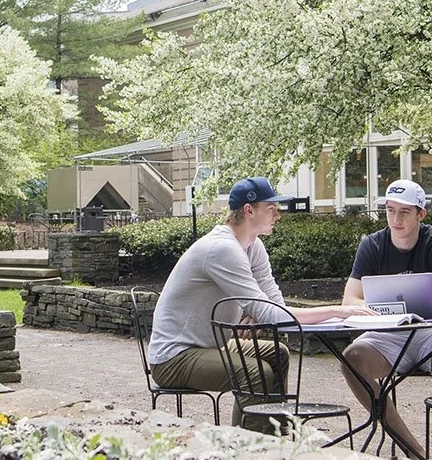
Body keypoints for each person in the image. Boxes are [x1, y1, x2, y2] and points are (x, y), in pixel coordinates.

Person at [148, 176, 375, 434]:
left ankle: (275, 438)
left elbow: (272, 306)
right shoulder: (221, 249)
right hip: (174, 357)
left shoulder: (252, 247)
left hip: (210, 346)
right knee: (255, 373)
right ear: (249, 210)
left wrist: (257, 313)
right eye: (271, 208)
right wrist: (337, 310)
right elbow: (272, 313)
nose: (277, 215)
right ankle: (247, 446)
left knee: (278, 354)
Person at [340, 179, 432, 456]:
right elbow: (350, 301)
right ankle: (414, 452)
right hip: (385, 335)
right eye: (390, 210)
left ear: (421, 214)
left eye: (404, 212)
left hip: (429, 333)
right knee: (351, 359)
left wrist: (395, 306)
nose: (395, 219)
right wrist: (395, 310)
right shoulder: (372, 245)